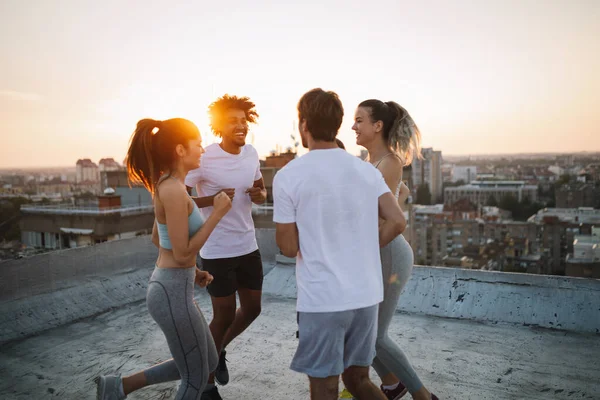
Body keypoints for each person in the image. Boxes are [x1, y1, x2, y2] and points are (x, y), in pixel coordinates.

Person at [273, 88, 406, 400]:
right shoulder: (363, 169)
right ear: (337, 124)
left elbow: (289, 248)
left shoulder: (289, 176)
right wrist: (366, 249)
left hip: (323, 300)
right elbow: (398, 220)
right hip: (365, 296)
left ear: (303, 124)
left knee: (325, 387)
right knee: (359, 380)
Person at [95, 118, 232, 400]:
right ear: (181, 150)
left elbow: (160, 239)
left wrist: (194, 272)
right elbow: (180, 252)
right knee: (195, 380)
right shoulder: (171, 190)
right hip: (170, 292)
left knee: (208, 362)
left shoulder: (173, 187)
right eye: (198, 144)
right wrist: (217, 213)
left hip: (176, 288)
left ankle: (119, 387)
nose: (203, 150)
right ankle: (118, 387)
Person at [353, 99, 438, 400]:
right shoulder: (368, 163)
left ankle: (423, 395)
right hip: (373, 254)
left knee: (375, 335)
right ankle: (391, 382)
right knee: (361, 332)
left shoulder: (389, 162)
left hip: (388, 254)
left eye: (360, 120)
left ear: (378, 126)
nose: (354, 126)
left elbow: (381, 216)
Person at [184, 95, 267, 400]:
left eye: (244, 119)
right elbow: (182, 199)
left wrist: (259, 194)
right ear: (220, 125)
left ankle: (216, 352)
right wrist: (214, 199)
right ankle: (205, 385)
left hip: (248, 244)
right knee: (223, 317)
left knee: (253, 309)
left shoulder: (252, 153)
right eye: (232, 120)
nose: (240, 124)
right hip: (216, 249)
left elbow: (260, 188)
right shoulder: (205, 157)